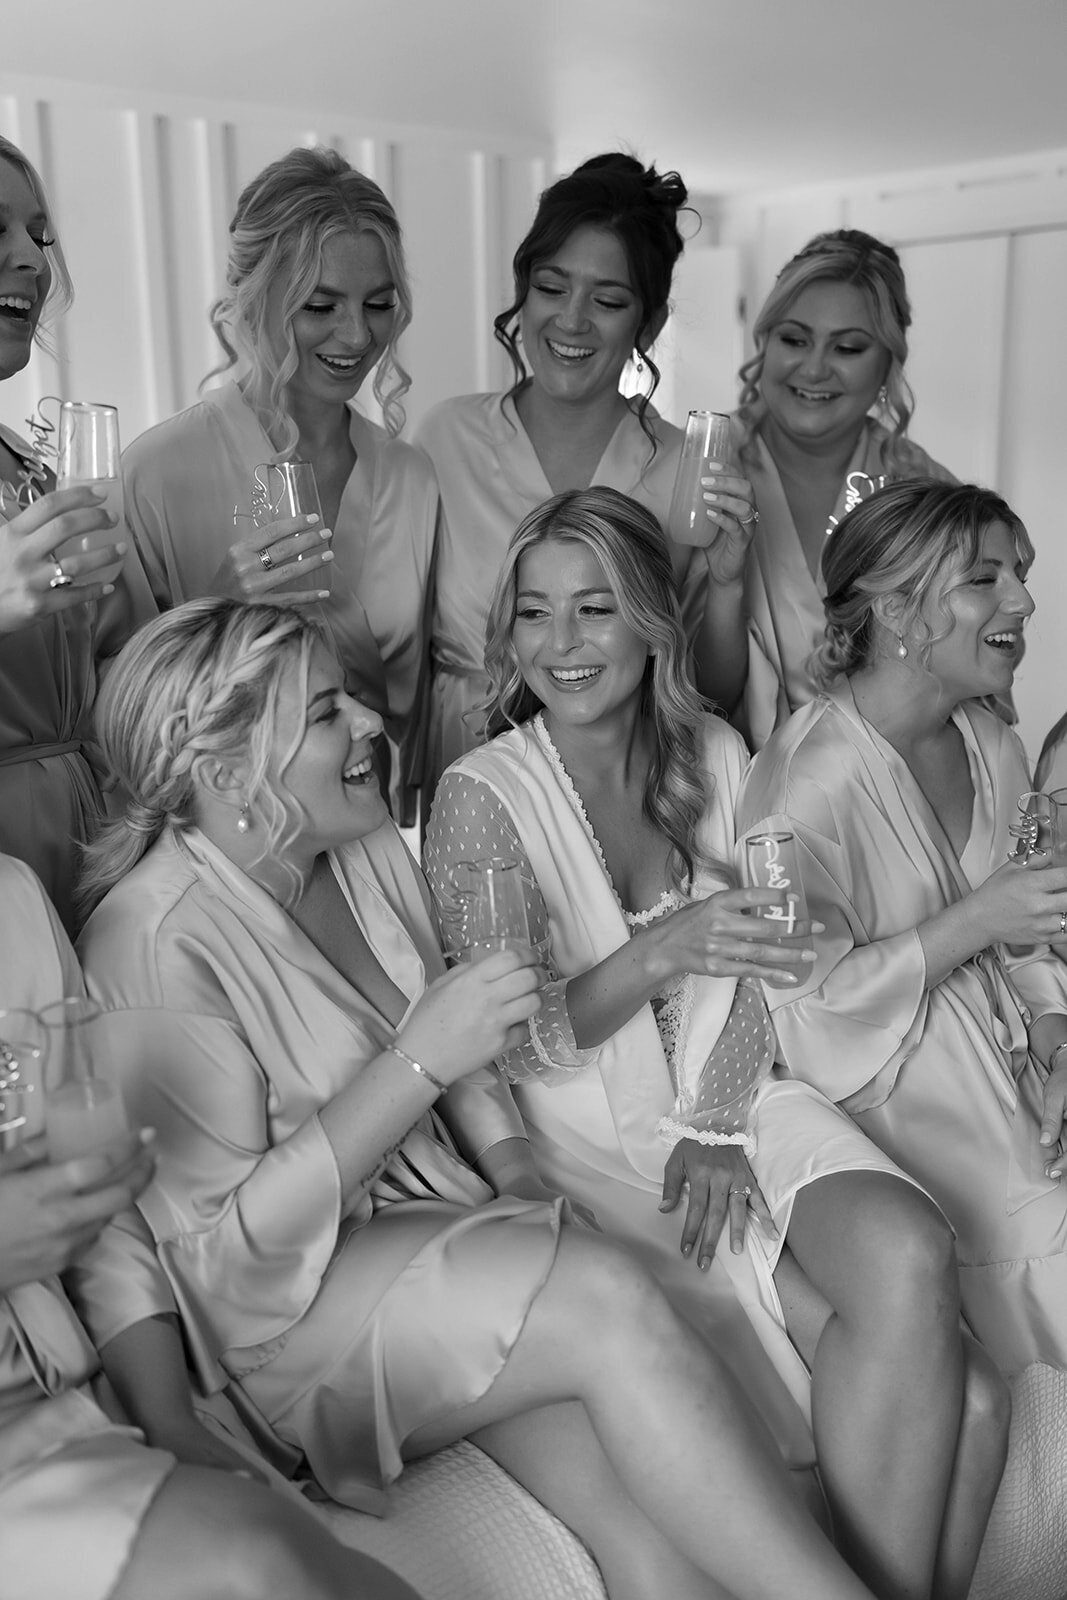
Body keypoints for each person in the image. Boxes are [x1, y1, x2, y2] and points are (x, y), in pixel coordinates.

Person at [77, 597, 888, 1600]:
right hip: (277, 1325)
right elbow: (222, 1270)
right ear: (226, 772)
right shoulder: (155, 942)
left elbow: (466, 1050)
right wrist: (411, 1062)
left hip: (426, 1234)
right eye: (327, 714)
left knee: (644, 1521)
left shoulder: (363, 848)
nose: (372, 724)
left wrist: (510, 1169)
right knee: (606, 1292)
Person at [424, 487, 1008, 1600]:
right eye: (533, 613)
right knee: (971, 1402)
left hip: (739, 1088)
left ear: (650, 618)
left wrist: (716, 1116)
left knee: (908, 1249)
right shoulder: (477, 796)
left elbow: (775, 954)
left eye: (593, 609)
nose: (560, 644)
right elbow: (519, 1042)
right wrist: (660, 950)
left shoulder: (716, 750)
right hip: (584, 1135)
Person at [0, 851, 422, 1600]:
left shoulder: (12, 900)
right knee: (258, 1566)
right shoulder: (157, 926)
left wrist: (166, 1413)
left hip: (68, 1399)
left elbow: (95, 1199)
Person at [737, 479, 1067, 1378]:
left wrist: (1053, 1029)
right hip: (895, 1098)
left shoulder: (990, 744)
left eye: (1021, 574)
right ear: (895, 611)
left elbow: (1030, 933)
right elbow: (799, 1014)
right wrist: (973, 920)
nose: (1023, 600)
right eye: (983, 579)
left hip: (1019, 1072)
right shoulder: (802, 787)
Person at [415, 152, 757, 799]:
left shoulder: (687, 467)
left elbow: (707, 693)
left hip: (623, 787)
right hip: (465, 759)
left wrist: (728, 580)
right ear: (522, 290)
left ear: (647, 324)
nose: (571, 320)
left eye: (606, 300)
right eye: (550, 288)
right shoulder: (445, 440)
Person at [121, 146, 437, 817]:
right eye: (320, 305)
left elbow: (425, 695)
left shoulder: (410, 478)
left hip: (378, 833)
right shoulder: (158, 473)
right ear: (253, 298)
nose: (356, 335)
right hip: (220, 848)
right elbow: (120, 712)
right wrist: (222, 621)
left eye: (378, 303)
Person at [699, 229, 954, 750]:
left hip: (895, 795)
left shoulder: (928, 494)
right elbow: (694, 699)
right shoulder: (702, 466)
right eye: (794, 339)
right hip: (738, 798)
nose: (814, 368)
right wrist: (726, 587)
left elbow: (958, 688)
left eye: (847, 347)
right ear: (764, 343)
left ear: (888, 362)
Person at [0, 136, 156, 931]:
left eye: (39, 234)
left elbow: (109, 660)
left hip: (86, 838)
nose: (29, 256)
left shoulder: (32, 465)